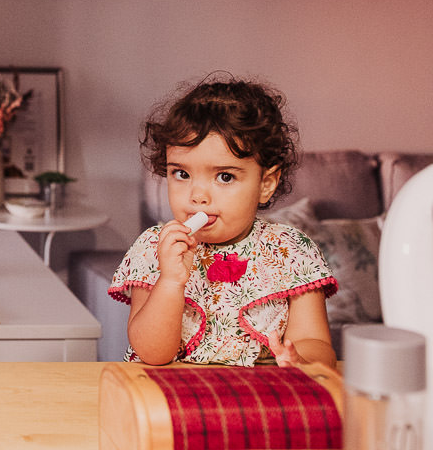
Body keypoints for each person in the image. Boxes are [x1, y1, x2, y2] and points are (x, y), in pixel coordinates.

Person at [109, 76, 337, 368]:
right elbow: (153, 353)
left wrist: (301, 362)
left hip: (257, 402)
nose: (198, 195)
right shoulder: (156, 247)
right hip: (170, 396)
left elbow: (316, 344)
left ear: (266, 183)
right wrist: (170, 281)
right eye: (181, 174)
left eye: (225, 177)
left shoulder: (291, 251)